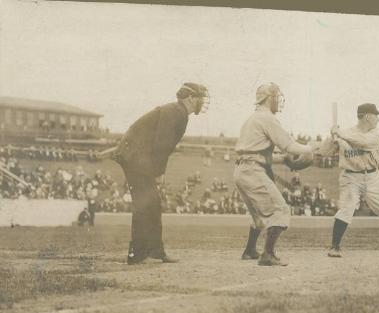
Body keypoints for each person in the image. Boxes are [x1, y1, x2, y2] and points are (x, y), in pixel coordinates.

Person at [113, 82, 210, 264]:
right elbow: (162, 143)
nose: (202, 102)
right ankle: (137, 253)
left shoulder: (176, 111)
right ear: (190, 98)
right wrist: (159, 171)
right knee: (145, 204)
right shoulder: (177, 113)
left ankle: (154, 251)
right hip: (136, 158)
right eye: (200, 98)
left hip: (136, 156)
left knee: (153, 203)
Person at [234, 82, 314, 266]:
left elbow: (256, 152)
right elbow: (289, 145)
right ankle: (268, 254)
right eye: (276, 97)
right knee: (280, 210)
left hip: (241, 170)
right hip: (253, 170)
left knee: (258, 216)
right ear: (269, 99)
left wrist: (284, 160)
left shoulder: (252, 119)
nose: (278, 100)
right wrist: (312, 148)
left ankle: (250, 250)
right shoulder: (267, 118)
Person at [319, 103, 379, 257]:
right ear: (367, 116)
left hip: (373, 177)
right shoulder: (344, 134)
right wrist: (331, 138)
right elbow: (323, 153)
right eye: (376, 116)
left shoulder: (377, 134)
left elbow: (364, 142)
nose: (378, 120)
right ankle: (335, 246)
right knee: (347, 209)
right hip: (350, 177)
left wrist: (340, 134)